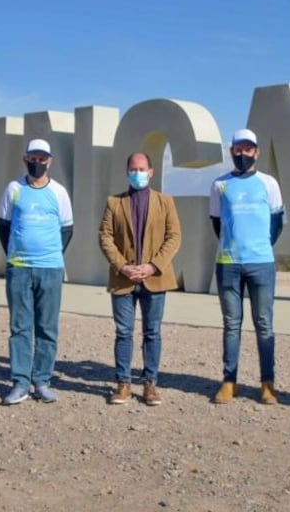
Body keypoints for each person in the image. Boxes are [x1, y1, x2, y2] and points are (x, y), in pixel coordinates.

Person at [98, 152, 181, 406]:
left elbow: (174, 237)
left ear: (151, 171)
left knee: (152, 332)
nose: (138, 173)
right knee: (124, 332)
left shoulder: (165, 202)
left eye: (142, 168)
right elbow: (105, 236)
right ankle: (123, 383)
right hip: (123, 279)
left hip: (154, 279)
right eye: (133, 169)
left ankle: (150, 384)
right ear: (127, 172)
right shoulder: (114, 202)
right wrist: (122, 266)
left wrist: (153, 266)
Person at [209, 129, 285, 405]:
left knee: (264, 324)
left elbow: (276, 222)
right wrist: (234, 245)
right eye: (238, 149)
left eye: (248, 149)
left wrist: (260, 246)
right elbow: (217, 222)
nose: (243, 153)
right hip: (228, 263)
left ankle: (267, 383)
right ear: (231, 151)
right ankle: (229, 381)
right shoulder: (220, 184)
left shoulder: (268, 183)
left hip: (261, 262)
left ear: (257, 152)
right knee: (231, 325)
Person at [0, 138, 74, 405]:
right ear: (25, 159)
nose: (37, 163)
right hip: (19, 268)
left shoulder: (59, 193)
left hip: (50, 268)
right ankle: (20, 382)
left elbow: (67, 229)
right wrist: (17, 253)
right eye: (33, 158)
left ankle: (41, 380)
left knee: (47, 327)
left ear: (49, 161)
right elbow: (3, 226)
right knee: (20, 327)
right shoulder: (13, 189)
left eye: (42, 158)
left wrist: (49, 254)